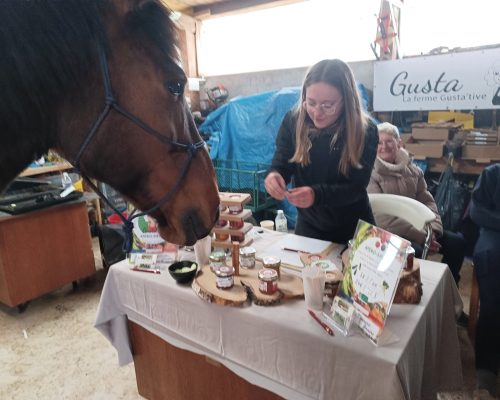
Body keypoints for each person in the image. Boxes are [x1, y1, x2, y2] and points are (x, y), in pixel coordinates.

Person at [264, 59, 378, 244]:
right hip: (309, 227)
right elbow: (282, 161)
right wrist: (275, 175)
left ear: (346, 101)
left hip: (353, 228)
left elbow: (355, 188)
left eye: (327, 105)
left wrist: (317, 195)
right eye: (311, 103)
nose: (317, 113)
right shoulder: (294, 121)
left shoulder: (365, 131)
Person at [367, 122, 466, 285]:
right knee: (415, 251)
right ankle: (412, 291)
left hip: (421, 230)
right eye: (379, 142)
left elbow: (427, 201)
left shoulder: (414, 171)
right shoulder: (371, 174)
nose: (384, 146)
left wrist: (433, 230)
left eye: (389, 141)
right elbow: (382, 218)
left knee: (457, 243)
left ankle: (446, 287)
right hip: (388, 232)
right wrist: (423, 237)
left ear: (399, 143)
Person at [470, 163, 500, 397]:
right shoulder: (492, 174)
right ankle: (487, 367)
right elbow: (476, 211)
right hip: (494, 235)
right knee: (493, 302)